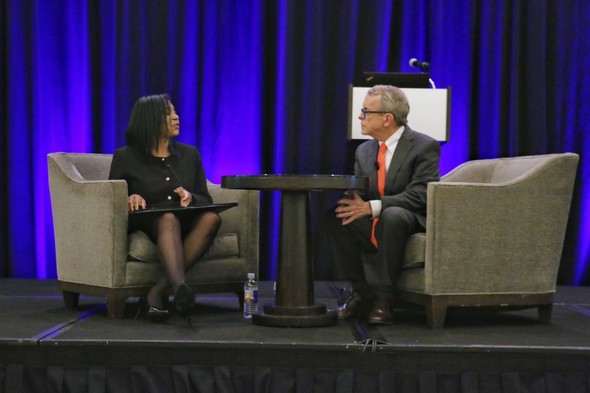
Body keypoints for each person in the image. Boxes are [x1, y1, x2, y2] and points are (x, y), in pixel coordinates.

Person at [324, 85, 440, 325]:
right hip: (377, 215)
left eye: (365, 112)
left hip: (410, 217)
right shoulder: (364, 150)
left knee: (393, 215)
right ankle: (361, 292)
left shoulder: (424, 146)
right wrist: (354, 200)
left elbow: (420, 195)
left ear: (387, 118)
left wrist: (373, 207)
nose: (359, 117)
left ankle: (385, 298)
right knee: (338, 215)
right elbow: (359, 192)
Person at [109, 93, 221, 323]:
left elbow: (205, 197)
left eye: (175, 111)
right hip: (149, 221)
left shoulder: (189, 155)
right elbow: (111, 199)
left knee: (211, 218)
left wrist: (190, 197)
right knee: (168, 219)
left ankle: (159, 291)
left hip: (185, 217)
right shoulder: (125, 157)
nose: (176, 117)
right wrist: (131, 195)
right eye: (169, 113)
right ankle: (180, 286)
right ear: (150, 120)